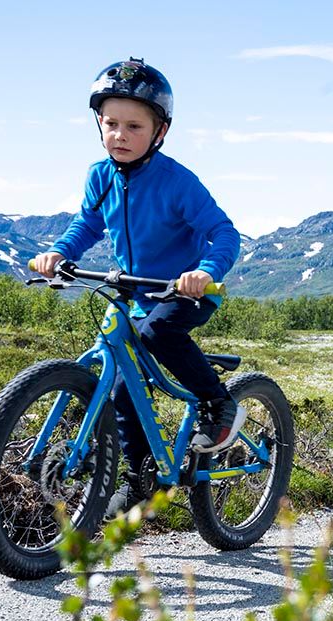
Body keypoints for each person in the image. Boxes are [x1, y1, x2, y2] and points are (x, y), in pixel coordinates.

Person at [32, 57, 246, 512]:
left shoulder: (177, 181)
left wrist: (204, 272)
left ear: (159, 132)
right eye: (111, 124)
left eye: (133, 126)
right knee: (119, 383)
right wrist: (60, 252)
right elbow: (86, 225)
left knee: (156, 333)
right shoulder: (99, 176)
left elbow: (224, 232)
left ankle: (218, 404)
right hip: (130, 292)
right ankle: (138, 479)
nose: (120, 135)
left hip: (181, 293)